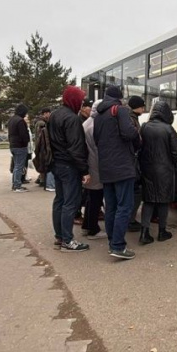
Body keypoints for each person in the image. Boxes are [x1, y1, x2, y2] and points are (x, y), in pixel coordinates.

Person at [94, 85, 141, 260]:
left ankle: (112, 243)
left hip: (105, 167)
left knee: (111, 207)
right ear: (119, 98)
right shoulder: (120, 110)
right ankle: (118, 246)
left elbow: (97, 140)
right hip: (122, 166)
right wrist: (136, 134)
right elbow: (129, 133)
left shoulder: (98, 115)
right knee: (125, 206)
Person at [48, 86, 91, 252]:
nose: (81, 103)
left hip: (57, 163)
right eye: (80, 100)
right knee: (70, 203)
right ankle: (67, 240)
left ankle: (59, 236)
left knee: (59, 200)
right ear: (74, 100)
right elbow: (76, 148)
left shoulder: (55, 115)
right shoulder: (72, 119)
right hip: (69, 165)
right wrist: (84, 170)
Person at [138, 101, 177, 244]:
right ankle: (162, 232)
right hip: (164, 170)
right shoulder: (169, 129)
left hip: (147, 169)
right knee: (163, 201)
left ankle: (144, 233)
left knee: (149, 200)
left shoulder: (144, 127)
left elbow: (138, 147)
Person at [81, 99, 106, 240]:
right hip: (95, 165)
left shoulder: (88, 123)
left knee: (91, 196)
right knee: (96, 197)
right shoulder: (95, 125)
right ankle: (93, 229)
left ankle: (87, 225)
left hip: (90, 164)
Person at [126, 95, 147, 232]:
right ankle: (130, 220)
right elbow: (135, 140)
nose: (144, 108)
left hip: (129, 160)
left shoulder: (132, 118)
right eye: (142, 106)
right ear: (137, 107)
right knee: (135, 191)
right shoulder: (131, 119)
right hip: (131, 161)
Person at [7, 104, 30, 193]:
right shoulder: (20, 121)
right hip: (20, 146)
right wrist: (26, 142)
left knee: (16, 165)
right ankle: (17, 185)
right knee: (19, 166)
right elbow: (23, 135)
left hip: (13, 145)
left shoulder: (12, 120)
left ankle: (15, 184)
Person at [32, 108, 54, 191]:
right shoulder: (42, 123)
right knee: (44, 162)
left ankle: (41, 179)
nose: (49, 115)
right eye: (48, 113)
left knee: (42, 162)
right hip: (42, 145)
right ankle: (42, 180)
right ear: (45, 113)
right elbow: (42, 135)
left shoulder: (40, 122)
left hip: (40, 145)